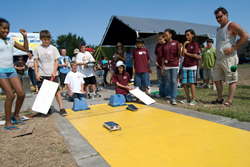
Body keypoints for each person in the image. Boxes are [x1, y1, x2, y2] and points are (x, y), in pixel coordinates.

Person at [212, 7, 249, 107]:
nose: (218, 19)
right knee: (217, 79)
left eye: (220, 17)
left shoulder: (232, 25)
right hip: (219, 59)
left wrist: (233, 48)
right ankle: (219, 98)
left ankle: (229, 100)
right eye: (216, 18)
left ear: (226, 15)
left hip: (229, 58)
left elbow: (245, 36)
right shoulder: (218, 29)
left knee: (231, 79)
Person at [0, 18, 28, 130]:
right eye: (4, 28)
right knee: (10, 95)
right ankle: (7, 122)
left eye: (8, 28)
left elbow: (26, 49)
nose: (6, 30)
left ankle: (15, 115)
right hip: (1, 72)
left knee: (21, 94)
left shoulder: (11, 41)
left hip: (11, 71)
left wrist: (25, 37)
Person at [34, 30, 67, 116]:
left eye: (48, 39)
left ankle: (61, 108)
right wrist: (36, 74)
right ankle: (46, 108)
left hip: (52, 75)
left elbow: (56, 61)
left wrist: (54, 71)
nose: (46, 41)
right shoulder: (37, 49)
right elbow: (36, 62)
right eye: (44, 39)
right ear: (41, 39)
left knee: (57, 92)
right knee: (43, 93)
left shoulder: (53, 48)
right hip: (42, 74)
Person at [161, 29, 182, 105]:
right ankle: (171, 97)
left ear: (170, 34)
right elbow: (163, 57)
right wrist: (163, 66)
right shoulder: (164, 45)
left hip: (174, 65)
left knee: (174, 81)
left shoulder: (176, 43)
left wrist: (179, 48)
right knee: (169, 82)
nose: (165, 37)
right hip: (167, 65)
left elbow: (179, 54)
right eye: (164, 36)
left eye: (166, 35)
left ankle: (174, 98)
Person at [180, 29, 199, 106]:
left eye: (188, 35)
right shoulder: (187, 44)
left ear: (192, 35)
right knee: (184, 83)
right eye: (186, 35)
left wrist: (187, 53)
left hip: (192, 65)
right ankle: (187, 98)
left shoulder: (195, 44)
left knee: (191, 83)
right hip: (185, 65)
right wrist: (184, 45)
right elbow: (183, 54)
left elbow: (195, 55)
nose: (187, 37)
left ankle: (193, 99)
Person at [154, 32, 169, 98]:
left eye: (160, 39)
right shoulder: (157, 45)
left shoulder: (167, 44)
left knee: (167, 80)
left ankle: (167, 93)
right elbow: (156, 54)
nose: (159, 41)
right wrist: (156, 61)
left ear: (164, 38)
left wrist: (165, 65)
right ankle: (161, 93)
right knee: (160, 80)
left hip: (166, 65)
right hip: (159, 65)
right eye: (158, 40)